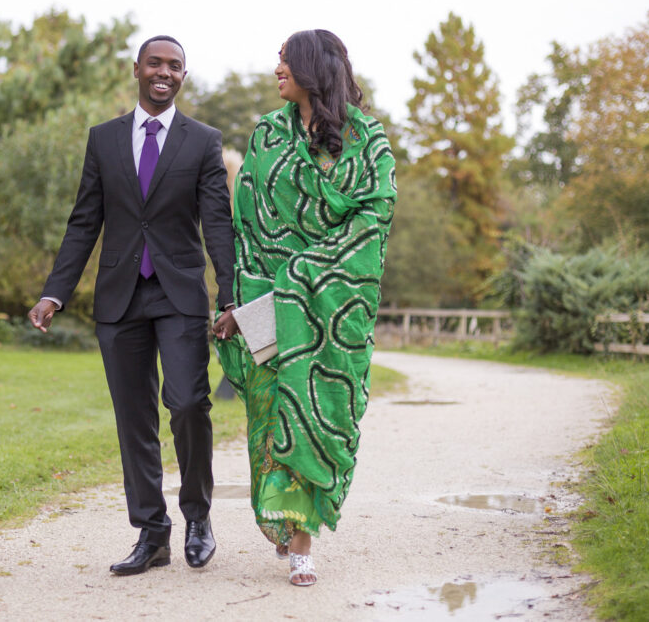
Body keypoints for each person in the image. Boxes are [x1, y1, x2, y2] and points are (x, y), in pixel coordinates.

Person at [29, 35, 235, 576]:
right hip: (120, 296)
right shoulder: (104, 140)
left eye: (176, 66)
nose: (164, 72)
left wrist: (231, 297)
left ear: (183, 76)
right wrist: (55, 291)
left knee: (189, 403)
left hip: (180, 293)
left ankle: (198, 518)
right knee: (133, 418)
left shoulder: (203, 142)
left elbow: (217, 223)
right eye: (155, 63)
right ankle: (152, 532)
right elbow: (84, 221)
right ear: (137, 69)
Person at [211, 29, 396, 587]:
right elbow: (248, 224)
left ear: (312, 67)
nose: (276, 69)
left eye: (285, 60)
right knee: (270, 418)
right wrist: (241, 301)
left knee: (313, 412)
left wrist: (304, 275)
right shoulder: (267, 133)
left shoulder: (369, 141)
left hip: (328, 308)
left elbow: (373, 220)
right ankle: (285, 523)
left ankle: (301, 544)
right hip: (266, 300)